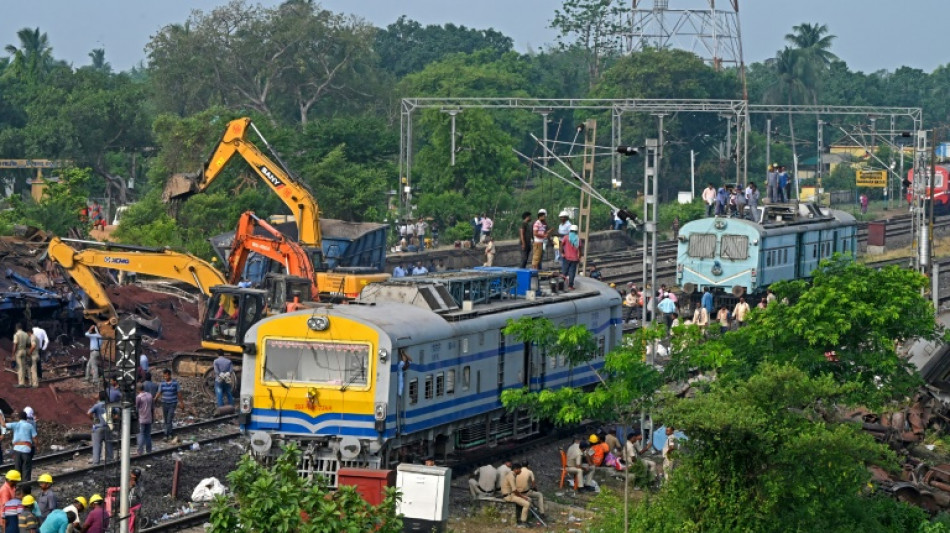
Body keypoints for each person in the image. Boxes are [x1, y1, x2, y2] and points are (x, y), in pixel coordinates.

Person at [7, 412, 38, 481]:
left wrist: (1, 418)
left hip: (16, 450)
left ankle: (18, 488)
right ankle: (25, 489)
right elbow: (35, 438)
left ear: (18, 418)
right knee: (26, 471)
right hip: (26, 451)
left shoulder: (15, 425)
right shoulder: (29, 426)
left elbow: (3, 425)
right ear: (26, 418)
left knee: (17, 471)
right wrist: (37, 446)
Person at [87, 392, 113, 465]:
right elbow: (116, 415)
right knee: (109, 445)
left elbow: (88, 413)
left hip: (98, 428)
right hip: (108, 427)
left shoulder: (97, 405)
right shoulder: (109, 405)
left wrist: (93, 419)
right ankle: (110, 461)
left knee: (97, 446)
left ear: (99, 397)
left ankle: (96, 463)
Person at [159, 369, 183, 441]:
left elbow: (179, 394)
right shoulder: (162, 383)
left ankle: (167, 434)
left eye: (166, 376)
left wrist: (181, 403)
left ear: (169, 375)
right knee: (166, 420)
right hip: (164, 403)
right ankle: (169, 433)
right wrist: (154, 399)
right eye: (164, 376)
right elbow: (159, 392)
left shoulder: (175, 383)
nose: (165, 377)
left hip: (172, 403)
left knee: (169, 419)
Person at [12, 323, 34, 388]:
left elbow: (15, 345)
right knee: (24, 367)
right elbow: (28, 344)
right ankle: (26, 382)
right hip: (24, 351)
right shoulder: (25, 334)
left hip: (18, 352)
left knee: (20, 367)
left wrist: (13, 354)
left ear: (17, 328)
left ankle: (21, 383)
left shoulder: (16, 334)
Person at [135, 383, 154, 455]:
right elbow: (152, 408)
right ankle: (149, 450)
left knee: (141, 434)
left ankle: (140, 451)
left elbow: (136, 408)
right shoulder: (150, 395)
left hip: (141, 418)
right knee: (148, 434)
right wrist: (153, 417)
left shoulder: (138, 397)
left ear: (137, 389)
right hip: (149, 418)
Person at [560, 225, 580, 290]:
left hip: (566, 257)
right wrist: (579, 257)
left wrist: (562, 253)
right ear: (576, 231)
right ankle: (570, 286)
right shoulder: (577, 239)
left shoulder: (566, 237)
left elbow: (561, 245)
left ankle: (561, 286)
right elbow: (580, 250)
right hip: (574, 259)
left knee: (564, 272)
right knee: (572, 273)